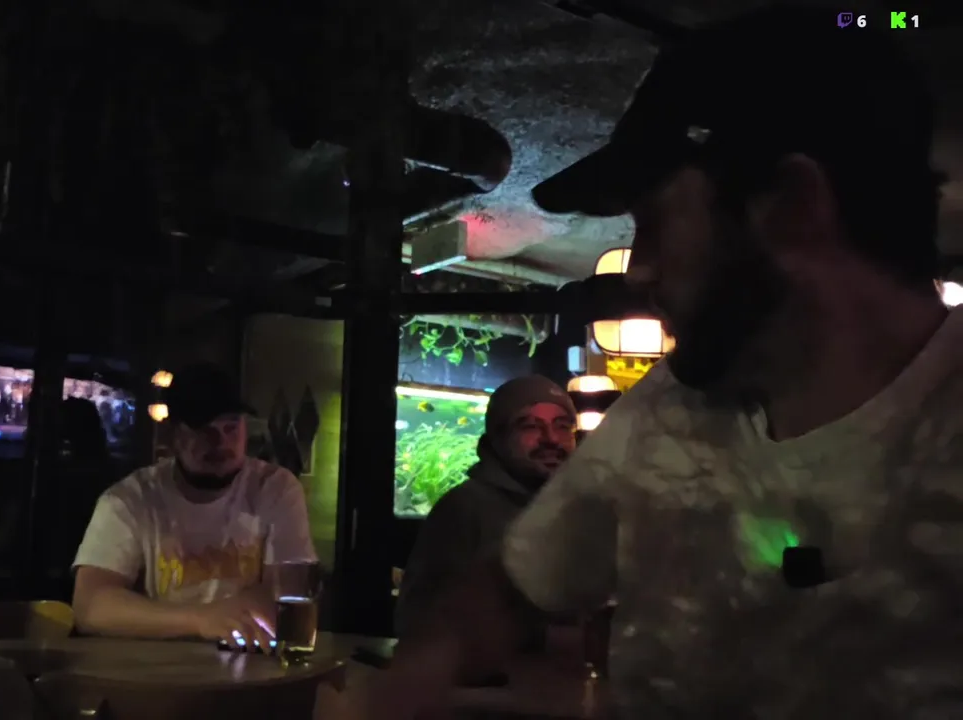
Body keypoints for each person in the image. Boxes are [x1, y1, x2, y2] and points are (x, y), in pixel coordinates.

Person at [368, 7, 963, 719]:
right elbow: (514, 585)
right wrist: (419, 677)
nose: (638, 270)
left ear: (792, 208)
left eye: (652, 225)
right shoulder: (669, 405)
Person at [71, 363, 316, 650]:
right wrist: (201, 619)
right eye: (204, 430)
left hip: (250, 663)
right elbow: (90, 606)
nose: (221, 442)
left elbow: (290, 593)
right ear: (173, 435)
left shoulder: (275, 488)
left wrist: (259, 603)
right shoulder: (131, 499)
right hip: (155, 668)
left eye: (231, 428)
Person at [395, 375, 577, 641]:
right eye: (530, 426)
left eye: (562, 426)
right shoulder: (464, 509)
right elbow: (418, 622)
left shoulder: (578, 510)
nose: (551, 439)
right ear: (497, 439)